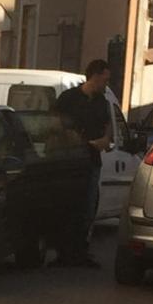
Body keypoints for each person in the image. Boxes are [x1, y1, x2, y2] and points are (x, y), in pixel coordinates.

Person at [52, 59, 112, 268]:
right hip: (69, 162)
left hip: (91, 161)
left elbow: (107, 129)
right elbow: (55, 126)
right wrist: (74, 140)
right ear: (95, 76)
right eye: (105, 78)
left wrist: (104, 141)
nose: (107, 83)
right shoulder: (68, 99)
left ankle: (80, 251)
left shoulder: (101, 102)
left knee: (87, 207)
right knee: (68, 205)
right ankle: (63, 253)